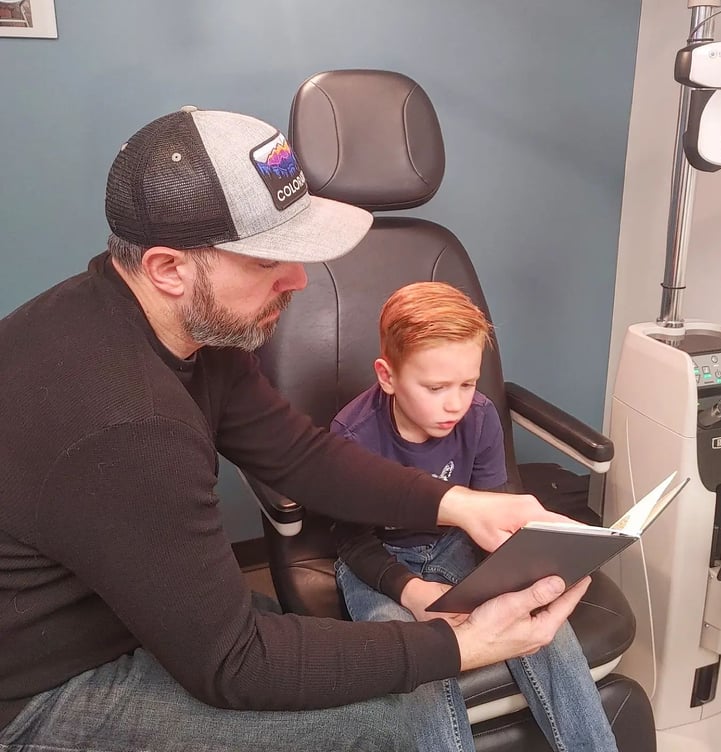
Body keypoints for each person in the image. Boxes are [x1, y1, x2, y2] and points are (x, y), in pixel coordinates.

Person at [0, 107, 590, 752]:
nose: (300, 279)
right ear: (169, 268)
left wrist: (459, 502)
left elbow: (303, 457)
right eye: (268, 261)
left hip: (125, 604)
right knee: (396, 722)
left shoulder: (187, 329)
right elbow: (234, 665)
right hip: (45, 684)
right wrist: (466, 643)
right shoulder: (125, 421)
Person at [332, 281, 619, 752]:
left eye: (468, 383)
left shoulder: (480, 416)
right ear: (387, 376)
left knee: (539, 621)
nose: (455, 403)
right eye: (436, 387)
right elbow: (352, 542)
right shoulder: (352, 436)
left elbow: (492, 503)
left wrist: (532, 563)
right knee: (413, 662)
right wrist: (413, 591)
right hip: (377, 561)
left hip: (456, 542)